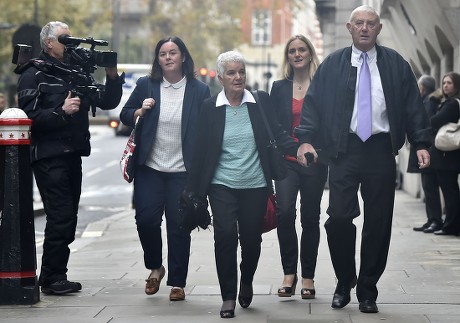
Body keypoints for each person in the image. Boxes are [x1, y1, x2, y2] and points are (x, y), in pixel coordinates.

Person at [295, 5, 431, 314]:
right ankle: (345, 281)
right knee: (339, 217)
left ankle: (368, 290)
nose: (365, 28)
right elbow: (313, 105)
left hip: (381, 150)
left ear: (379, 29)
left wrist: (421, 142)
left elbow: (413, 107)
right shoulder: (332, 65)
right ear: (349, 27)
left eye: (371, 23)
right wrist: (305, 139)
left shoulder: (397, 65)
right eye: (359, 23)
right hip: (345, 150)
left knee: (378, 223)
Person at [16, 21, 124, 295]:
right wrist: (61, 111)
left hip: (72, 154)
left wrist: (111, 73)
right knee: (61, 215)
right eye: (65, 39)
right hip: (48, 155)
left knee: (68, 217)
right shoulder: (34, 73)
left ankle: (55, 275)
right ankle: (52, 278)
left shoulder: (76, 72)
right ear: (48, 43)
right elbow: (26, 119)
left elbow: (107, 101)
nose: (71, 43)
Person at [185, 51, 292, 319]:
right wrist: (193, 190)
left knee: (252, 241)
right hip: (221, 185)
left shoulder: (258, 102)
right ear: (220, 77)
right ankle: (228, 296)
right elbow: (199, 150)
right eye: (231, 72)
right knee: (225, 237)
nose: (238, 77)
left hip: (255, 184)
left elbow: (277, 132)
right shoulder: (211, 108)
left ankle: (246, 280)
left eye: (241, 71)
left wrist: (299, 148)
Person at [119, 36, 211, 301]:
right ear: (158, 59)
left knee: (179, 226)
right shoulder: (146, 85)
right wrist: (139, 111)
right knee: (145, 220)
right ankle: (156, 266)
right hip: (150, 168)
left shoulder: (199, 90)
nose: (168, 57)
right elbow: (125, 113)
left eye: (173, 52)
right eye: (162, 54)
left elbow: (207, 129)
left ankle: (178, 282)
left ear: (183, 56)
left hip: (183, 171)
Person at [269, 35, 328, 299]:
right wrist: (294, 149)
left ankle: (308, 277)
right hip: (286, 161)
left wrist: (312, 149)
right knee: (284, 213)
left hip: (314, 161)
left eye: (302, 49)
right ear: (288, 56)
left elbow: (328, 124)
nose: (297, 54)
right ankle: (289, 273)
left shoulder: (322, 85)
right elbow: (274, 126)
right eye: (292, 50)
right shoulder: (279, 87)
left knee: (310, 218)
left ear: (310, 53)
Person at [410, 75, 443, 233]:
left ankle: (435, 220)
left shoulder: (428, 102)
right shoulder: (429, 100)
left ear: (423, 87)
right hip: (431, 151)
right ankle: (431, 219)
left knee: (430, 187)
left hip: (429, 151)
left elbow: (427, 125)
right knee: (428, 188)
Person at [429, 71, 460, 236]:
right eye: (444, 82)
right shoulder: (449, 102)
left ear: (456, 85)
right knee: (450, 191)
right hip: (447, 156)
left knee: (450, 192)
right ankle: (451, 224)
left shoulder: (452, 104)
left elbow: (434, 121)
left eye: (449, 83)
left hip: (447, 156)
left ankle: (451, 225)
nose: (446, 85)